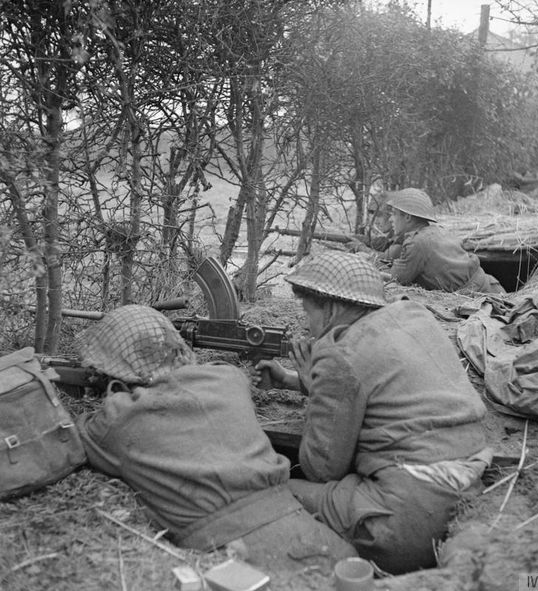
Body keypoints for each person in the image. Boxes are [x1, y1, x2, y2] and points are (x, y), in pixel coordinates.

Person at [255, 251, 492, 575]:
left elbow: (320, 468)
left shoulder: (338, 353)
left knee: (271, 494)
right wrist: (295, 382)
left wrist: (316, 387)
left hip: (406, 519)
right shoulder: (414, 316)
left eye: (307, 312)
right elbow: (374, 384)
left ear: (332, 308)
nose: (306, 324)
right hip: (468, 491)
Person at [75, 304, 355, 571]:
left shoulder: (120, 419)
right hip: (316, 536)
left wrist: (106, 392)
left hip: (238, 557)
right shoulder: (228, 378)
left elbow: (80, 433)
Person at [381, 188, 506, 294]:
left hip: (484, 295)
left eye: (394, 214)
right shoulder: (437, 231)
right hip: (492, 286)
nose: (391, 219)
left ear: (407, 217)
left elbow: (396, 278)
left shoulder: (417, 243)